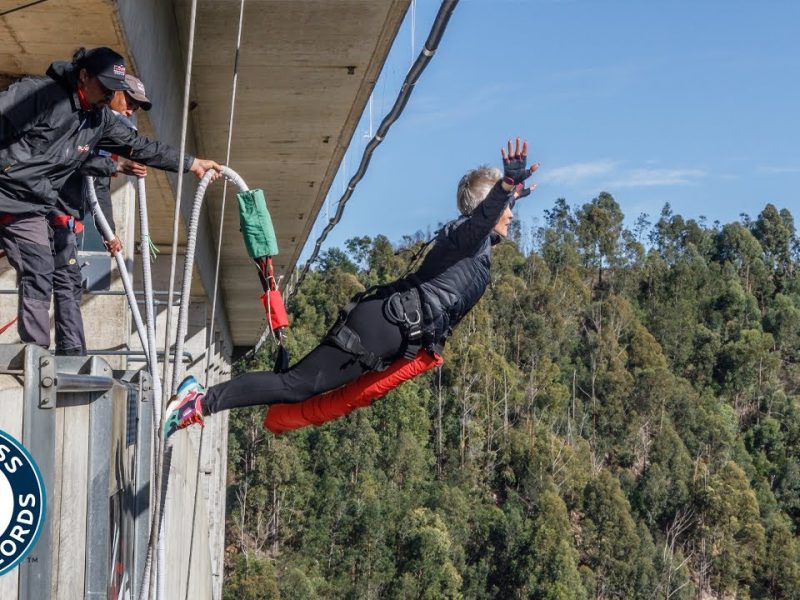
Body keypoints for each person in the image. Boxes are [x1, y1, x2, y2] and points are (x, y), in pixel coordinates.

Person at [164, 138, 539, 437]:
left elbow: (488, 218)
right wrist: (504, 187)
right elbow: (484, 217)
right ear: (486, 207)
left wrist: (512, 193)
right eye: (507, 206)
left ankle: (202, 400)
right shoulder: (464, 235)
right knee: (296, 386)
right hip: (380, 328)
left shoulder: (476, 248)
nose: (511, 215)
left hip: (389, 334)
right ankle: (199, 401)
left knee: (300, 388)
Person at [0, 46, 221, 349]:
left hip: (31, 206)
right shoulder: (40, 94)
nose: (109, 96)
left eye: (114, 90)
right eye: (104, 87)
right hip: (3, 187)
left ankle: (35, 352)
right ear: (83, 76)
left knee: (40, 266)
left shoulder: (99, 121)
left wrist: (191, 163)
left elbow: (141, 146)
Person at [49, 72, 151, 355]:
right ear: (112, 92)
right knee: (63, 281)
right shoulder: (87, 123)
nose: (131, 111)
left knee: (66, 280)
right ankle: (70, 355)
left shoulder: (106, 136)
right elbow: (78, 163)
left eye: (136, 108)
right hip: (46, 211)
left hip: (62, 219)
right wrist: (116, 167)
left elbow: (99, 190)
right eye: (129, 102)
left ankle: (72, 353)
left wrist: (110, 233)